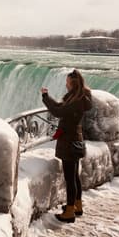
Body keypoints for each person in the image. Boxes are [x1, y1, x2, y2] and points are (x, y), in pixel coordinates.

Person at [40, 69, 93, 223]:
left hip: (69, 142)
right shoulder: (79, 98)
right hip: (76, 140)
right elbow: (60, 107)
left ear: (73, 84)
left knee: (70, 178)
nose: (66, 84)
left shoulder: (75, 102)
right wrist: (48, 97)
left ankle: (69, 212)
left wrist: (45, 97)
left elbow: (57, 111)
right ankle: (77, 205)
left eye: (67, 82)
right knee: (74, 176)